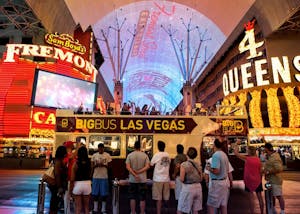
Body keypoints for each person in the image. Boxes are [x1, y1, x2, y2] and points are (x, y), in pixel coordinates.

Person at [234, 145, 264, 214]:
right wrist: (260, 180)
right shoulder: (259, 160)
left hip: (249, 181)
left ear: (249, 151)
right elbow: (261, 172)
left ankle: (252, 212)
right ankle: (262, 212)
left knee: (251, 198)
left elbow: (236, 153)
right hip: (257, 180)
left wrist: (236, 144)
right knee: (260, 197)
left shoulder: (246, 159)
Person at [126, 140, 150, 214]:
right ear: (140, 147)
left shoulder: (130, 155)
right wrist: (139, 172)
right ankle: (142, 212)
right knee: (142, 198)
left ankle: (133, 212)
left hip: (132, 179)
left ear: (134, 147)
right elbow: (147, 166)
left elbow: (128, 167)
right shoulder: (145, 155)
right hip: (142, 179)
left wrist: (134, 174)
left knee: (132, 197)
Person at [206, 139, 230, 214]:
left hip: (217, 184)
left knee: (211, 206)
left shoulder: (216, 155)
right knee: (223, 205)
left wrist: (208, 168)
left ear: (214, 145)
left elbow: (216, 171)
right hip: (224, 182)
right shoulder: (224, 154)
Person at [177, 147, 203, 214]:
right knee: (195, 210)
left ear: (187, 154)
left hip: (188, 188)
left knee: (180, 208)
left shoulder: (184, 164)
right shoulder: (198, 164)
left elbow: (182, 179)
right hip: (198, 187)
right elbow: (201, 177)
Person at [264, 143, 285, 214]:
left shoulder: (275, 157)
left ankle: (282, 211)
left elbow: (279, 168)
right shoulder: (270, 156)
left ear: (267, 148)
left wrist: (268, 172)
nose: (264, 150)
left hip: (275, 180)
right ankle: (273, 208)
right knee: (271, 195)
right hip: (270, 180)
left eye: (264, 148)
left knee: (278, 195)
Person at [70, 146, 92, 214]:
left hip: (78, 184)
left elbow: (72, 178)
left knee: (78, 207)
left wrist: (71, 189)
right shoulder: (90, 162)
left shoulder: (76, 164)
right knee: (86, 207)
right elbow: (91, 174)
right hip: (87, 184)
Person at [150, 141, 171, 214]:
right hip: (166, 178)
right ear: (164, 147)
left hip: (158, 179)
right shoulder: (168, 155)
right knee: (166, 197)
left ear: (158, 147)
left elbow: (151, 164)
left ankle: (159, 212)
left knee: (158, 198)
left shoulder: (156, 155)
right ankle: (166, 210)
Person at [91, 143, 112, 214]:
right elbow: (92, 167)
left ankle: (103, 209)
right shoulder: (94, 155)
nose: (100, 150)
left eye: (102, 148)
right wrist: (96, 165)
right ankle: (95, 209)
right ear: (98, 148)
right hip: (95, 176)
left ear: (103, 148)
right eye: (99, 148)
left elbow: (110, 167)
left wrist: (104, 165)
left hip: (104, 177)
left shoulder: (107, 155)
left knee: (104, 194)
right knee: (95, 193)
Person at [48, 145, 68, 214]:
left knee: (55, 201)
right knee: (55, 202)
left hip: (54, 184)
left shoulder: (56, 160)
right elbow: (57, 174)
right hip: (56, 185)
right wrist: (59, 187)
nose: (66, 153)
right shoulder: (58, 161)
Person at [63, 141, 76, 214]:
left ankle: (70, 211)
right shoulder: (67, 156)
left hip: (71, 179)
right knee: (67, 196)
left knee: (71, 196)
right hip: (68, 179)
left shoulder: (70, 155)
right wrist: (77, 147)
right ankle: (67, 212)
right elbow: (71, 157)